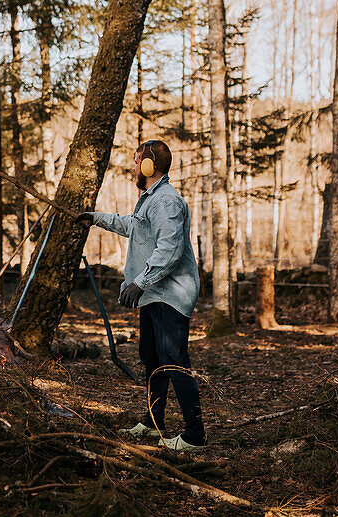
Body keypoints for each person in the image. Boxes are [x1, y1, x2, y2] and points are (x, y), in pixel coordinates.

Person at [77, 139, 205, 452]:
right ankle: (153, 422)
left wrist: (141, 281)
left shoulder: (166, 202)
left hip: (169, 294)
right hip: (155, 293)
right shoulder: (150, 199)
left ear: (148, 165)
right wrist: (96, 218)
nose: (135, 167)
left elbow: (170, 249)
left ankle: (194, 435)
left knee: (174, 360)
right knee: (151, 356)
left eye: (137, 161)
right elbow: (132, 226)